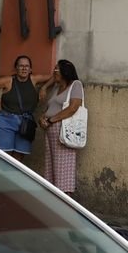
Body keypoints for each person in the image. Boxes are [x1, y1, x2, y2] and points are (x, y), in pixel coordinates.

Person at [0, 55, 50, 160]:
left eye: (27, 66)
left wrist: (44, 87)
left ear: (30, 69)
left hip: (26, 122)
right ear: (16, 68)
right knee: (4, 155)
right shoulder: (8, 81)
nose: (24, 68)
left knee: (19, 155)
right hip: (6, 120)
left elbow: (54, 76)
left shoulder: (34, 79)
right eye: (21, 66)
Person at [39, 60, 85, 197]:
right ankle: (53, 197)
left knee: (62, 168)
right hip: (50, 131)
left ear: (65, 72)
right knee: (51, 166)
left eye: (57, 70)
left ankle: (64, 199)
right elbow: (50, 107)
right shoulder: (56, 88)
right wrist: (43, 118)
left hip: (63, 131)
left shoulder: (75, 85)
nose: (54, 72)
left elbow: (73, 108)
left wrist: (51, 120)